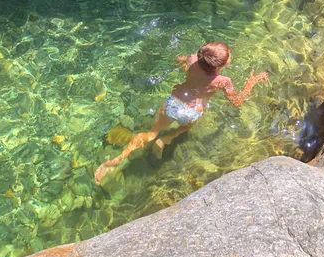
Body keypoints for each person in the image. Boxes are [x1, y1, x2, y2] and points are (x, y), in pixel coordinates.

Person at [94, 42, 268, 185]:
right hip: (190, 111)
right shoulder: (223, 81)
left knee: (149, 134)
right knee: (187, 126)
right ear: (223, 65)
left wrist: (186, 69)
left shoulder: (192, 60)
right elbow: (236, 101)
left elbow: (179, 60)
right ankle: (168, 138)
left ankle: (116, 160)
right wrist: (251, 83)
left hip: (173, 103)